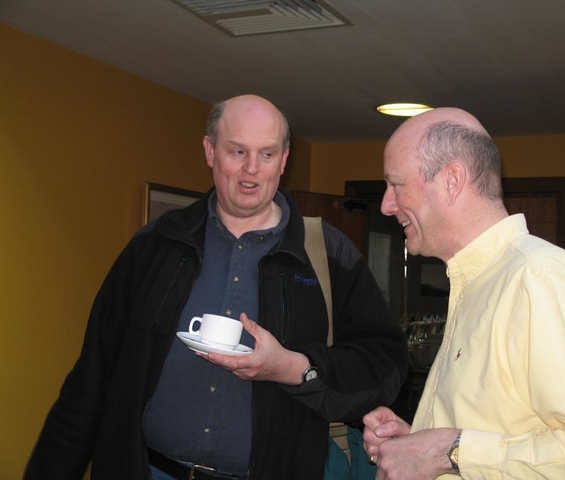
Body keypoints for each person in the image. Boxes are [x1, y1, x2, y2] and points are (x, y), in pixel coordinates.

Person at [24, 94, 408, 480]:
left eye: (267, 154)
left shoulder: (327, 252)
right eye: (237, 151)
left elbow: (383, 366)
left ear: (285, 159)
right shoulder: (157, 243)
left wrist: (292, 367)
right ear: (210, 151)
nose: (251, 170)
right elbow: (92, 376)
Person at [362, 107, 565, 479]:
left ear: (452, 180)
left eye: (396, 184)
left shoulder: (539, 279)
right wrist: (417, 444)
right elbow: (502, 432)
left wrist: (448, 451)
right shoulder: (476, 284)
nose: (386, 205)